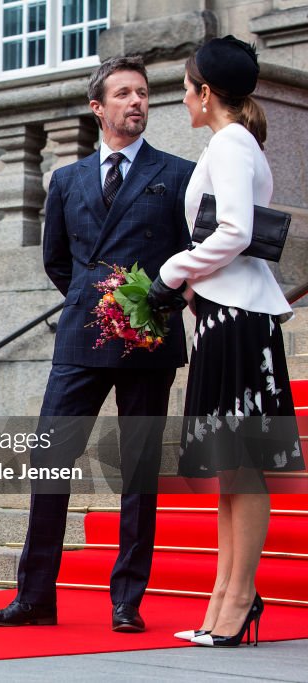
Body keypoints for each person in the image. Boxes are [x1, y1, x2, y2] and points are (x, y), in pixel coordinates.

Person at [0, 56, 195, 632]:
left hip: (149, 336)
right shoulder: (68, 179)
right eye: (123, 93)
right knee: (50, 458)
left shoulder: (177, 174)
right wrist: (93, 299)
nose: (137, 102)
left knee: (138, 466)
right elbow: (57, 260)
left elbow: (188, 257)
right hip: (81, 335)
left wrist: (150, 303)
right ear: (98, 107)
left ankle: (127, 599)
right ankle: (34, 596)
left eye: (144, 93)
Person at [150, 36, 304, 648]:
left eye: (186, 87)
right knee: (231, 470)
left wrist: (174, 270)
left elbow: (236, 230)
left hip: (238, 320)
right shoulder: (230, 143)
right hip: (223, 316)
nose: (183, 98)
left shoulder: (232, 143)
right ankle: (224, 598)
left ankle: (239, 599)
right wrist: (191, 286)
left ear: (205, 92)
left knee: (243, 469)